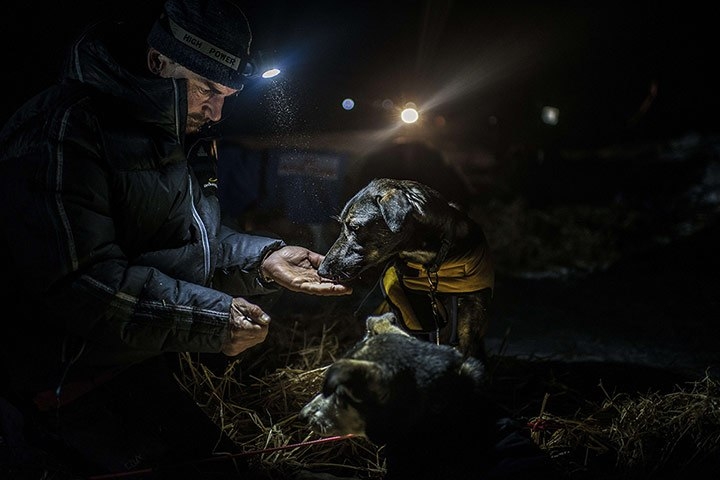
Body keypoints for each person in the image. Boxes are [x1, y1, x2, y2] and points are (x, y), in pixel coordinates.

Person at [0, 0, 351, 478]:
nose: (218, 110)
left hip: (132, 364)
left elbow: (186, 243)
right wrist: (210, 318)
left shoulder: (180, 132)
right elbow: (80, 282)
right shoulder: (67, 127)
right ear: (157, 62)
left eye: (228, 93)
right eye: (208, 88)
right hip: (56, 383)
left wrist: (264, 258)